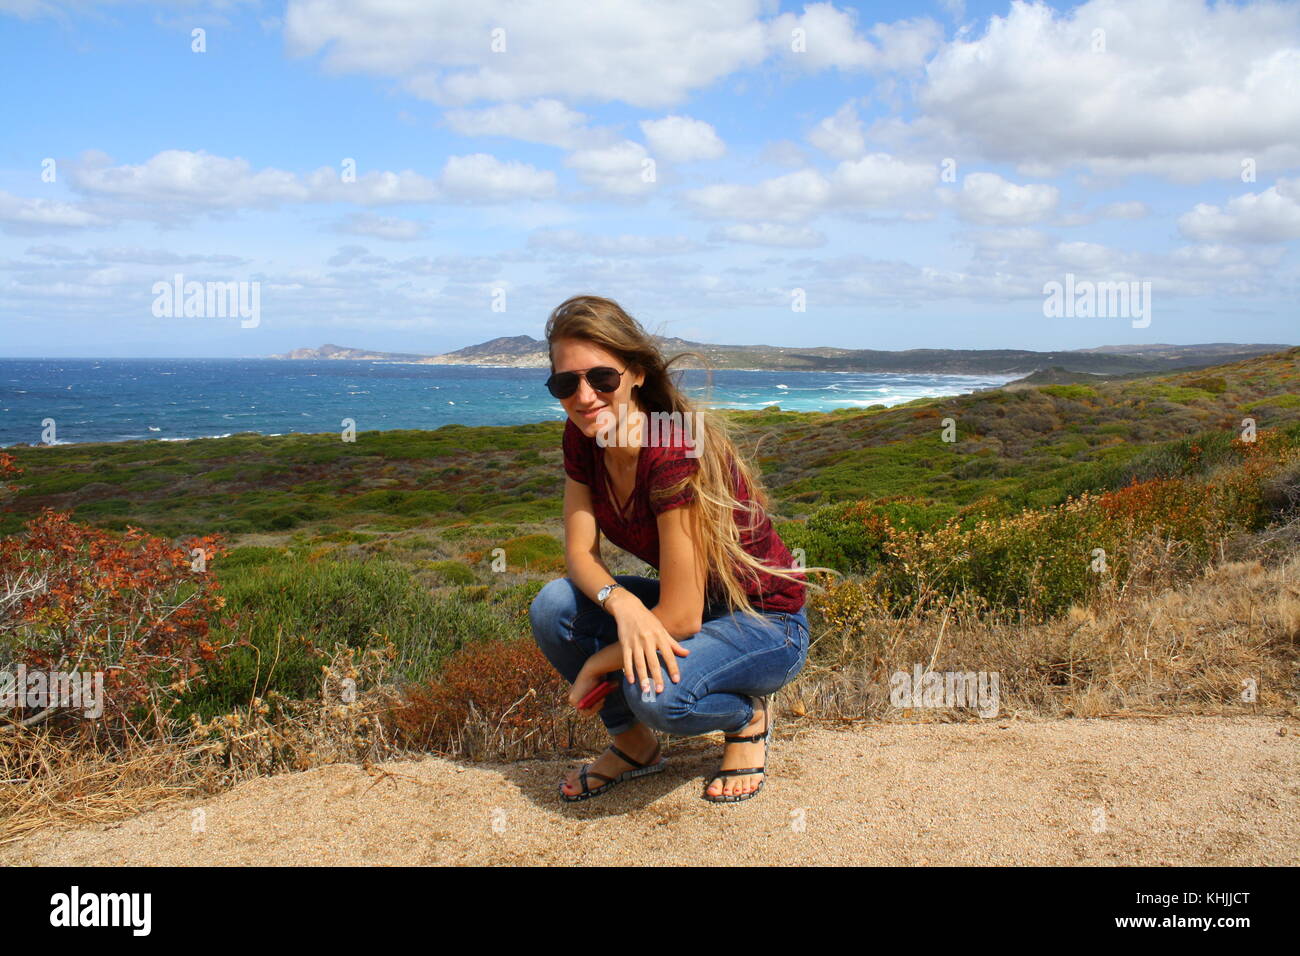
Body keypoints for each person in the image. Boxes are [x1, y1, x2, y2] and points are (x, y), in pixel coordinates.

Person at [529, 294, 833, 804]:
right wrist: (622, 604)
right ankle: (634, 748)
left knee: (656, 695)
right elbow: (580, 553)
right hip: (694, 607)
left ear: (637, 373)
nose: (584, 397)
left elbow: (682, 617)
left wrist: (597, 663)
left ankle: (747, 717)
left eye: (602, 378)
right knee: (553, 607)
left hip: (764, 622)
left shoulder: (674, 447)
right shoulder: (582, 437)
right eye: (566, 384)